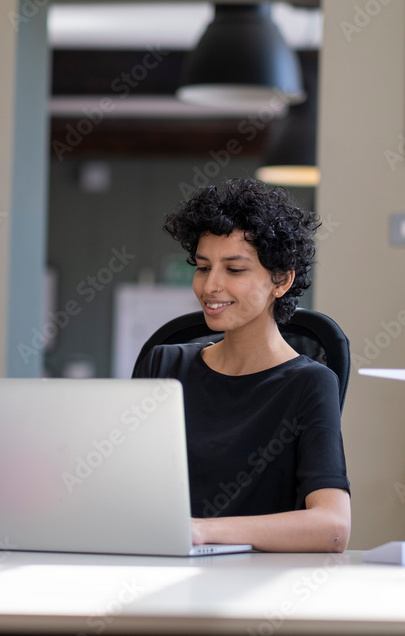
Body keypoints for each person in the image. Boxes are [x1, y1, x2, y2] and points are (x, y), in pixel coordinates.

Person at [132, 178, 351, 553]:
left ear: (281, 280)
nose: (210, 286)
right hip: (155, 569)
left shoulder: (310, 383)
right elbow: (122, 488)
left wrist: (201, 531)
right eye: (203, 267)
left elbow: (332, 527)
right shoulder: (164, 364)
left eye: (234, 270)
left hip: (254, 586)